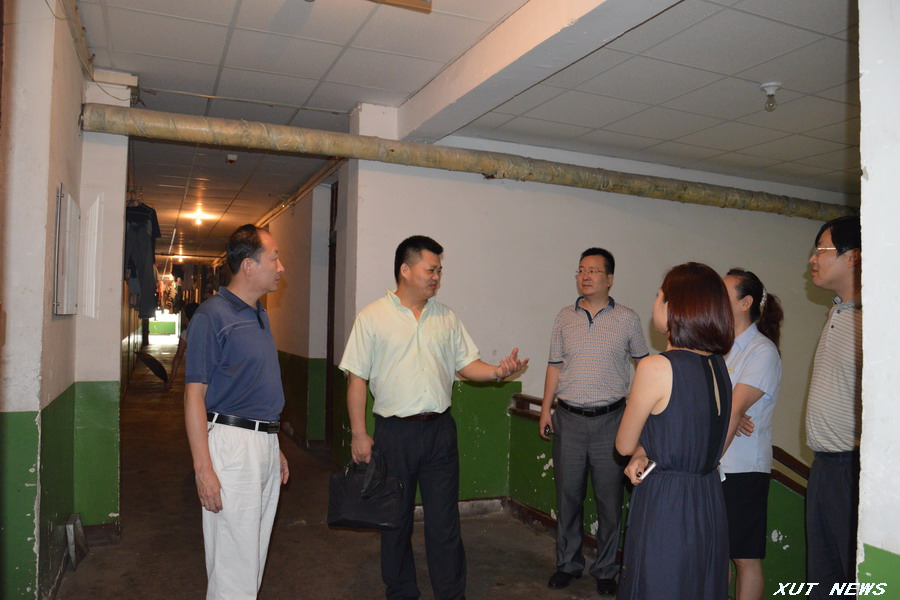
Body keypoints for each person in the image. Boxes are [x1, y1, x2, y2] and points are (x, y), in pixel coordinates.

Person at [339, 235, 528, 600]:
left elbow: (467, 365)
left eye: (440, 270)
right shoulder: (373, 317)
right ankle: (401, 592)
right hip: (394, 434)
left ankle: (451, 593)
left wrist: (498, 372)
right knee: (395, 521)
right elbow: (356, 378)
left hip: (440, 431)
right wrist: (359, 433)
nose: (437, 277)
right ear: (405, 270)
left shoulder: (446, 318)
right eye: (431, 269)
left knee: (444, 523)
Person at [615, 262, 735, 600]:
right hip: (708, 497)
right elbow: (686, 432)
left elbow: (624, 444)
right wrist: (646, 449)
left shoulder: (656, 367)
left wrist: (639, 448)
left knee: (660, 585)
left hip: (668, 502)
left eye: (659, 296)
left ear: (675, 308)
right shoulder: (718, 365)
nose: (655, 303)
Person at [184, 224, 290, 600]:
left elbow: (253, 388)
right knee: (233, 563)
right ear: (248, 266)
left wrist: (273, 443)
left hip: (262, 442)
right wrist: (204, 470)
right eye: (274, 258)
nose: (280, 267)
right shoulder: (212, 316)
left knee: (251, 557)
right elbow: (194, 396)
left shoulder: (260, 314)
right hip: (232, 447)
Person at [539, 248, 648, 596]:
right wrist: (546, 409)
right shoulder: (564, 317)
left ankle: (605, 569)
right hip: (568, 419)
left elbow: (645, 366)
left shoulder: (628, 319)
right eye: (581, 270)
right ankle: (567, 564)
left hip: (611, 422)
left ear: (609, 279)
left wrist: (641, 413)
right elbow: (554, 366)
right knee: (567, 496)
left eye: (594, 271)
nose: (585, 276)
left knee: (609, 500)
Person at [804, 216, 861, 600]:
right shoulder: (839, 311)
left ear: (853, 256)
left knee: (856, 576)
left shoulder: (875, 321)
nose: (812, 259)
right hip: (824, 466)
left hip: (851, 468)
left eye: (821, 250)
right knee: (824, 580)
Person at [720, 269, 784, 600]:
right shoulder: (718, 346)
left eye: (724, 293)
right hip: (717, 465)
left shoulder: (761, 350)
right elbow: (720, 406)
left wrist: (728, 412)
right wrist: (726, 411)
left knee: (744, 557)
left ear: (745, 303)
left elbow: (733, 408)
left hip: (743, 468)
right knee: (717, 553)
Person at [166, 301, 199, 392]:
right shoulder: (211, 331)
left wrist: (171, 379)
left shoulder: (186, 333)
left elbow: (178, 356)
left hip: (194, 371)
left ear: (187, 317)